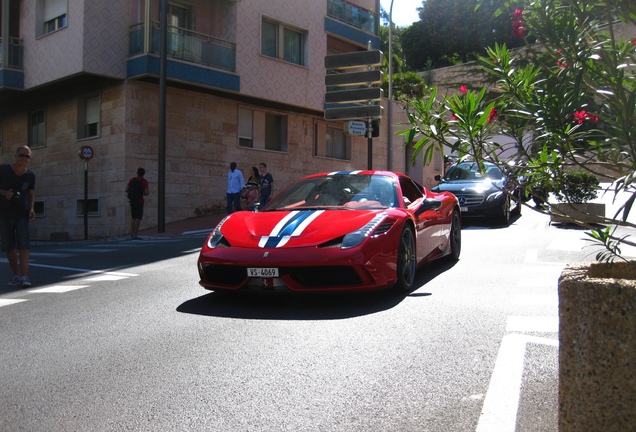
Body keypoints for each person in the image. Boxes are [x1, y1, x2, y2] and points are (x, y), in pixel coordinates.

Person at [0, 146, 36, 288]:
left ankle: (24, 277)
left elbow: (31, 193)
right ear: (16, 156)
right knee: (9, 246)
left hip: (22, 213)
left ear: (30, 159)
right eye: (21, 155)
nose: (24, 158)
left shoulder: (30, 176)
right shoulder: (3, 170)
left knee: (24, 245)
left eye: (27, 156)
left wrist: (32, 208)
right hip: (4, 214)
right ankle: (15, 275)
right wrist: (4, 193)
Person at [125, 167, 149, 240]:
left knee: (133, 218)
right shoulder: (144, 181)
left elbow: (126, 189)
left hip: (132, 201)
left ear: (137, 173)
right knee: (138, 218)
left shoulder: (132, 180)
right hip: (139, 201)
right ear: (143, 174)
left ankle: (132, 234)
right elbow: (147, 193)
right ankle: (135, 235)